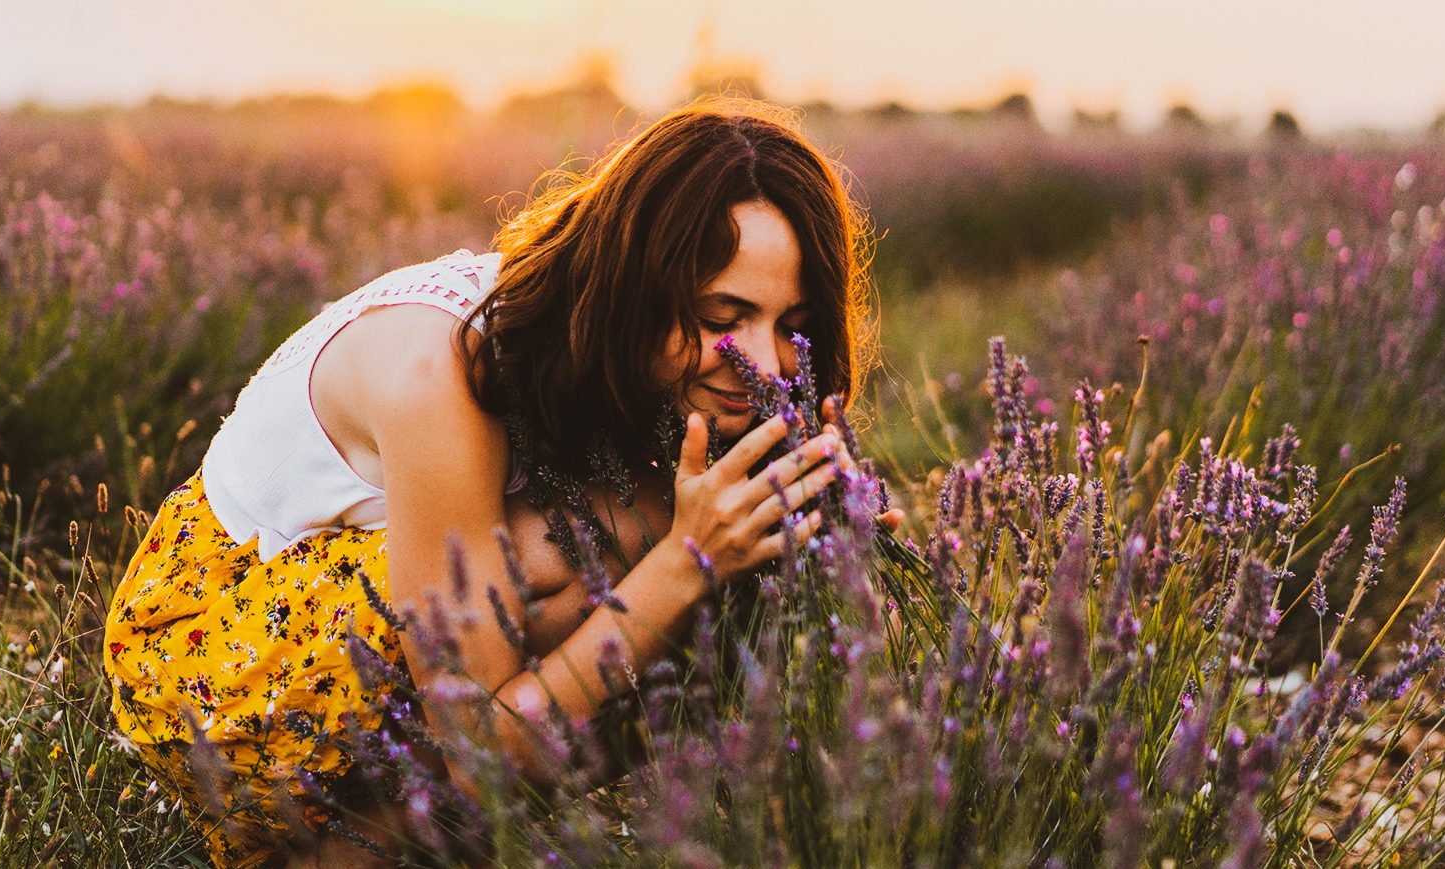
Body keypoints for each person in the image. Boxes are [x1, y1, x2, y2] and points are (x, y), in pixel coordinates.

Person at [102, 95, 892, 867]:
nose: (764, 360)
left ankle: (379, 840)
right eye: (722, 317)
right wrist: (684, 559)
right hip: (210, 660)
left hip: (337, 625)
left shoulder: (617, 354)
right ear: (635, 284)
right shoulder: (438, 368)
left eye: (791, 326)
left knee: (702, 573)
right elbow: (477, 738)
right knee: (620, 556)